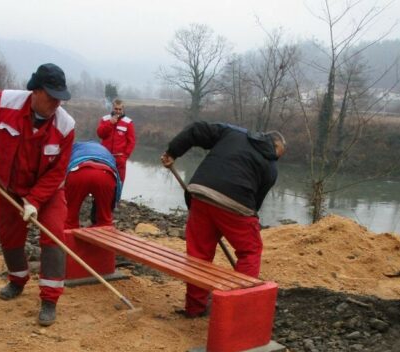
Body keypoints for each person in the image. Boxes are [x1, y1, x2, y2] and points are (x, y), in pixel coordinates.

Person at [0, 63, 75, 327]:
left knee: (54, 235)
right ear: (35, 90)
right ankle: (17, 280)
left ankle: (49, 299)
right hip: (7, 187)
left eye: (61, 97)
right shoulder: (4, 102)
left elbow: (57, 172)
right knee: (10, 236)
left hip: (48, 191)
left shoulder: (66, 126)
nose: (57, 102)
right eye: (52, 96)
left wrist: (34, 201)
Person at [160, 122, 286, 317]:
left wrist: (172, 152)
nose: (276, 158)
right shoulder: (270, 167)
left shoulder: (233, 133)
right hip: (236, 205)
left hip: (200, 194)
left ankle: (195, 308)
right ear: (274, 145)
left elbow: (196, 130)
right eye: (278, 153)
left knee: (198, 255)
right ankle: (237, 311)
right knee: (250, 251)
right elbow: (254, 205)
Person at [63, 141, 122, 229]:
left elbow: (62, 168)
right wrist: (114, 202)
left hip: (79, 171)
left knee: (69, 216)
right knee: (104, 219)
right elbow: (117, 182)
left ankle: (68, 237)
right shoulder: (107, 152)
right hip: (106, 174)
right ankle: (103, 238)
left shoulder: (73, 148)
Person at [97, 99, 136, 182]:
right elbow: (100, 134)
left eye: (120, 109)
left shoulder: (128, 122)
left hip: (119, 159)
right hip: (105, 157)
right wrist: (110, 123)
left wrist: (124, 157)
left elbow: (131, 142)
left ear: (123, 109)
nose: (118, 111)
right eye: (116, 109)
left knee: (119, 182)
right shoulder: (105, 119)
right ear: (112, 108)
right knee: (103, 181)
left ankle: (117, 195)